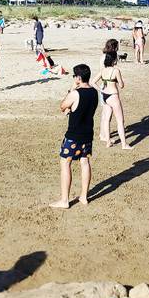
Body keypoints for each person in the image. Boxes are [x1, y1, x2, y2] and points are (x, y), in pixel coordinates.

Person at [50, 64, 99, 209]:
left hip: (73, 135)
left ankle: (65, 200)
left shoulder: (75, 93)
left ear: (78, 78)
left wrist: (72, 88)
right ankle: (84, 196)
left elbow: (63, 106)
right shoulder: (94, 92)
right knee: (85, 162)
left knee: (65, 163)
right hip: (87, 134)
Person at [95, 51, 132, 150]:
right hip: (113, 96)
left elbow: (93, 82)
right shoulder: (116, 71)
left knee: (107, 120)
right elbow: (121, 85)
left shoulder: (103, 70)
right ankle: (124, 144)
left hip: (105, 95)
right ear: (114, 60)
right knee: (120, 120)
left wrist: (101, 90)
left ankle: (108, 142)